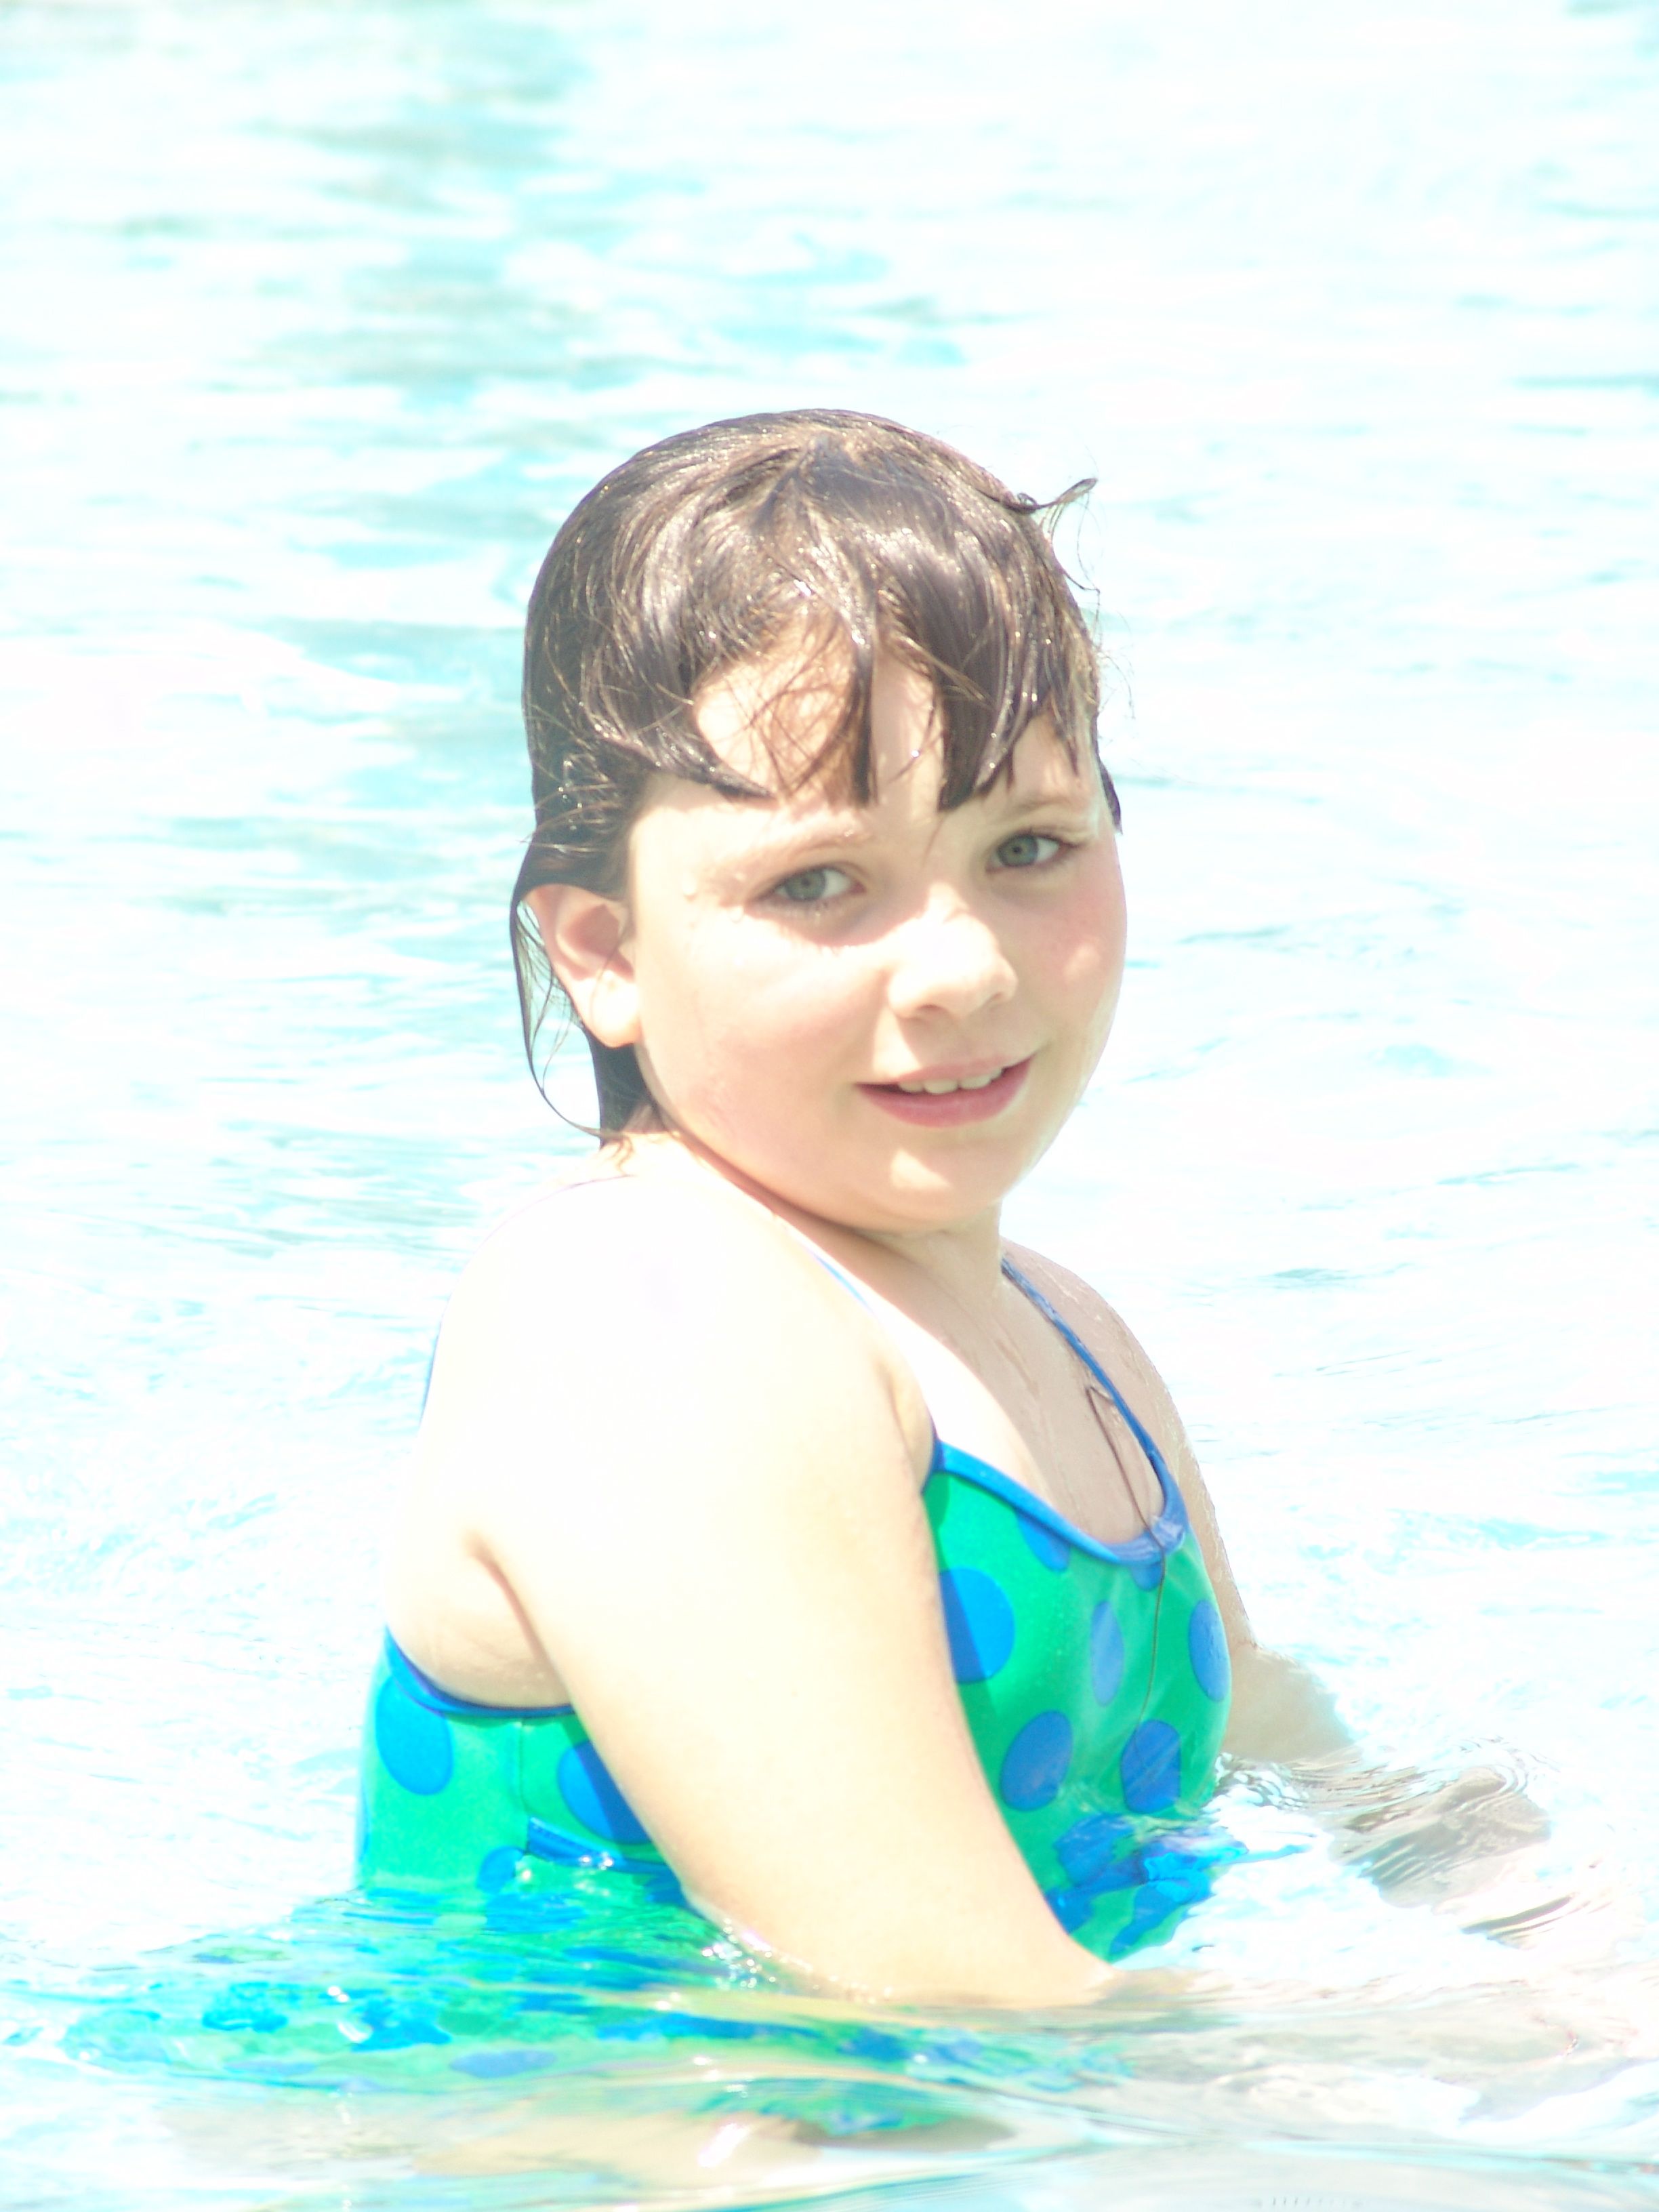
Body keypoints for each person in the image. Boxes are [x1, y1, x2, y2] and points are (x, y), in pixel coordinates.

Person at [356, 408, 1359, 2007]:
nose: (963, 968)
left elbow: (1280, 1744)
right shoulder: (639, 1312)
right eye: (818, 883)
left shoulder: (1071, 1334)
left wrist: (1559, 1938)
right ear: (604, 953)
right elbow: (942, 1988)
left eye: (1030, 845)